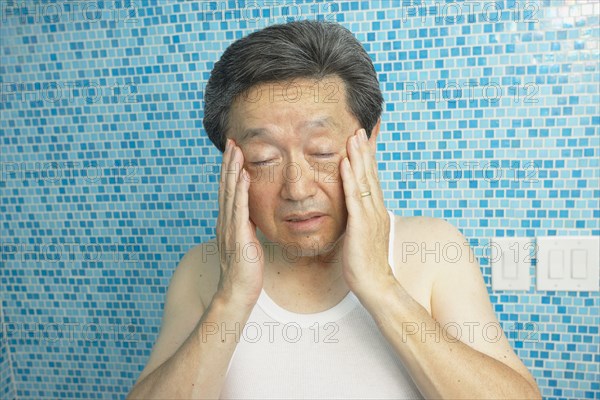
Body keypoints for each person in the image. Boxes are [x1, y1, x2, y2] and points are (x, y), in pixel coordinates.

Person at [127, 20, 542, 399]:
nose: (297, 188)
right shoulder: (202, 270)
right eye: (262, 158)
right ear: (229, 164)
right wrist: (231, 298)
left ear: (370, 139)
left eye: (322, 151)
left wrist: (381, 287)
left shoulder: (433, 250)